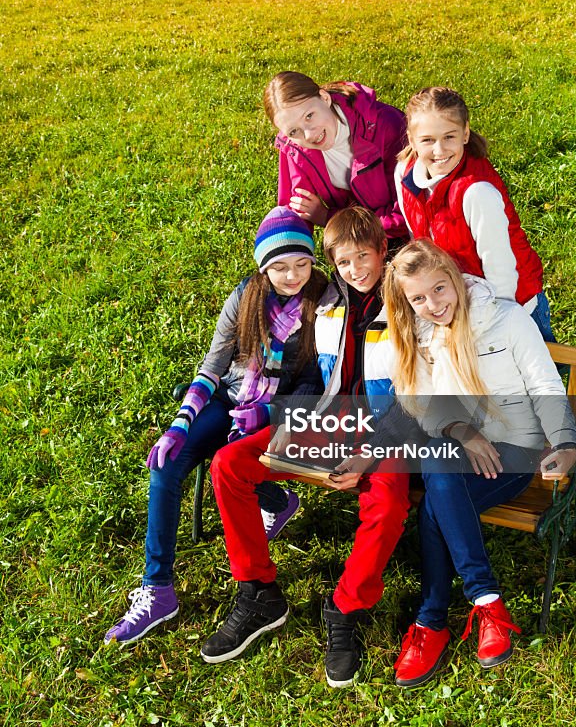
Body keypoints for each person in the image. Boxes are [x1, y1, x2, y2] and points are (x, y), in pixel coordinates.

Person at [200, 206, 410, 687]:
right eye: (343, 262)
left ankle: (345, 608)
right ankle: (258, 591)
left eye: (364, 257)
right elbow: (320, 373)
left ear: (383, 252)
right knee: (231, 463)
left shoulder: (407, 303)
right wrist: (292, 420)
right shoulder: (330, 300)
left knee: (390, 496)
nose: (355, 270)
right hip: (331, 416)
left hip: (391, 426)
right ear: (331, 265)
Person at [104, 208, 328, 646]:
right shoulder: (246, 296)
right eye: (280, 266)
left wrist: (265, 414)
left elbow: (313, 383)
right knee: (165, 466)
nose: (293, 276)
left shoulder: (320, 303)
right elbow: (213, 366)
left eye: (302, 263)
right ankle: (158, 588)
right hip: (230, 397)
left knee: (237, 453)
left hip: (278, 409)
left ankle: (274, 499)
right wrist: (179, 424)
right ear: (263, 268)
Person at [382, 239, 576, 688]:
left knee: (436, 499)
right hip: (459, 453)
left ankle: (432, 620)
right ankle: (487, 603)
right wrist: (460, 430)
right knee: (437, 470)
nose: (432, 304)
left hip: (515, 452)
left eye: (439, 289)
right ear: (406, 301)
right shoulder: (420, 333)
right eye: (418, 298)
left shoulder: (505, 319)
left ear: (455, 278)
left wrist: (565, 441)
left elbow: (545, 384)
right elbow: (422, 404)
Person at [395, 86, 554, 340]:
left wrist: (499, 331)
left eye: (449, 137)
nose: (439, 150)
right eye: (427, 140)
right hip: (457, 301)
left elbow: (501, 272)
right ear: (412, 140)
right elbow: (419, 241)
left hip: (511, 302)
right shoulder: (403, 174)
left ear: (465, 133)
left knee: (532, 376)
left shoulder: (477, 192)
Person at [264, 70, 408, 244]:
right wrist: (288, 262)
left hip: (407, 238)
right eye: (294, 131)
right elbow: (293, 216)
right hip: (351, 244)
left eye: (309, 116)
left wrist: (329, 218)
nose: (308, 135)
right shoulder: (295, 147)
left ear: (324, 98)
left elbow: (405, 215)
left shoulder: (386, 126)